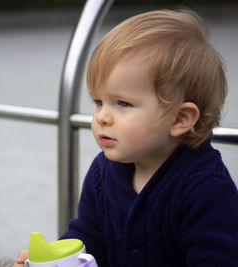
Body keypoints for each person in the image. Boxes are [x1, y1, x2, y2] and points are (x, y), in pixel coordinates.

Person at [14, 8, 238, 267]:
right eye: (99, 102)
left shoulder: (205, 190)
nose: (102, 117)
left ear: (179, 119)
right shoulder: (102, 172)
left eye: (122, 103)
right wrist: (57, 258)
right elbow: (88, 237)